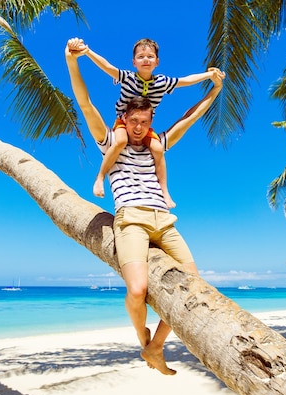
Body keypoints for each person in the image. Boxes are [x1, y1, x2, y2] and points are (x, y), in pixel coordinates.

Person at [65, 38, 225, 375]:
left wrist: (213, 91)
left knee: (197, 287)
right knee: (137, 290)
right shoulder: (111, 141)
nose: (138, 128)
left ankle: (155, 348)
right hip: (132, 221)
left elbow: (189, 117)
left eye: (144, 122)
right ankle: (143, 336)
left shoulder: (158, 142)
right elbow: (85, 103)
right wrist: (72, 61)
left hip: (165, 222)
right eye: (133, 121)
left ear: (150, 120)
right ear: (124, 118)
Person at [69, 38, 216, 208]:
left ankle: (165, 192)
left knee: (158, 149)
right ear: (133, 62)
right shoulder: (128, 77)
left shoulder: (162, 82)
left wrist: (209, 76)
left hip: (145, 126)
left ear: (157, 61)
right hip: (122, 123)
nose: (145, 59)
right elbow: (107, 67)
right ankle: (100, 177)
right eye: (141, 57)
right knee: (121, 141)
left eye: (150, 56)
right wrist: (87, 52)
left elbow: (187, 81)